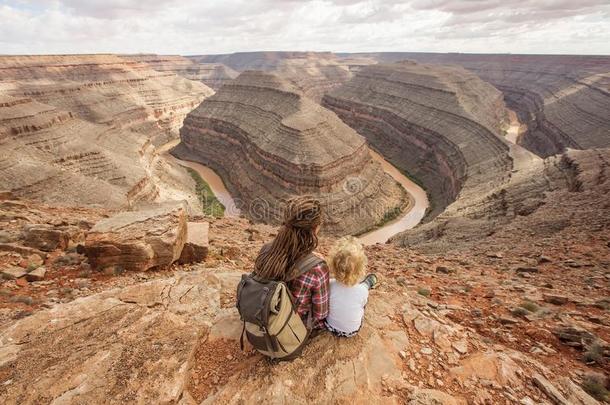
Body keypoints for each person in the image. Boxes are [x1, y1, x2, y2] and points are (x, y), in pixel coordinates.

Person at [253, 196, 330, 330]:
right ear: (315, 228)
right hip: (289, 331)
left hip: (261, 319)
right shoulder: (317, 268)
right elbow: (320, 314)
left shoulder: (265, 250)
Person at [325, 236, 377, 337]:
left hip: (330, 326)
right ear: (360, 269)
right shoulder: (362, 290)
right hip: (351, 332)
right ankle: (368, 282)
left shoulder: (329, 284)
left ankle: (367, 283)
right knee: (363, 290)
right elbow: (362, 305)